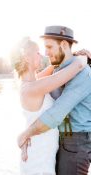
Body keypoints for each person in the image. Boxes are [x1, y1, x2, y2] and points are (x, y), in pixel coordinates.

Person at [17, 26, 91, 175]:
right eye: (42, 49)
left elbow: (56, 113)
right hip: (56, 144)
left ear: (64, 45)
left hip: (75, 143)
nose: (45, 53)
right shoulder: (58, 71)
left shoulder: (82, 72)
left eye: (49, 47)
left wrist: (26, 133)